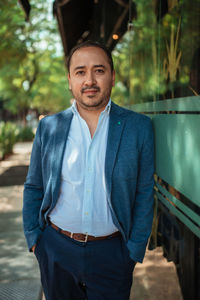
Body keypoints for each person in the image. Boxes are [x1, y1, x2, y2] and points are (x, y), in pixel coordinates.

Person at [23, 40, 154, 300]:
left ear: (112, 76)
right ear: (70, 79)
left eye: (99, 70)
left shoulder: (138, 127)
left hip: (113, 254)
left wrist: (133, 251)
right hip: (56, 250)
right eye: (80, 72)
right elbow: (34, 185)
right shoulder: (50, 127)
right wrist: (36, 240)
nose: (90, 80)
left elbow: (144, 191)